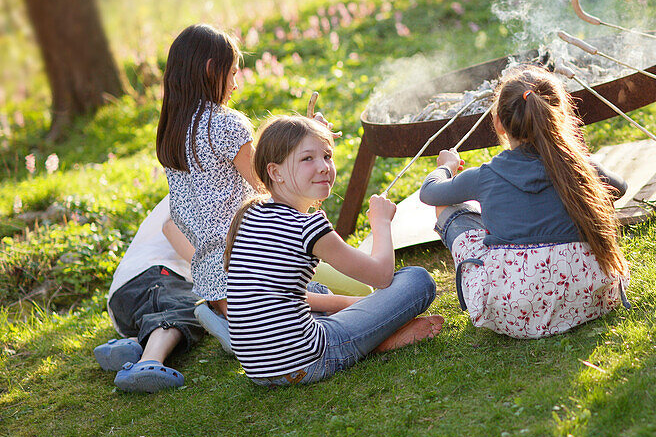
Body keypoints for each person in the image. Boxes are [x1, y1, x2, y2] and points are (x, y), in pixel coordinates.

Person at [225, 115, 442, 386]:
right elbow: (382, 276)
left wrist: (365, 307)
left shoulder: (250, 214)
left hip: (259, 368)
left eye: (327, 156)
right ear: (275, 171)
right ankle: (379, 338)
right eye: (307, 159)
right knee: (417, 280)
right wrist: (380, 223)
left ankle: (373, 327)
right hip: (308, 360)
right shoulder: (307, 227)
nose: (324, 167)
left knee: (314, 290)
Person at [418, 65, 630, 339]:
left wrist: (447, 165)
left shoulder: (484, 176)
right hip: (592, 296)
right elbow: (619, 188)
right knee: (594, 196)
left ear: (499, 124)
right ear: (559, 116)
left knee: (451, 210)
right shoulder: (579, 166)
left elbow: (429, 192)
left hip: (517, 312)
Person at [156, 24, 259, 342]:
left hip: (211, 277)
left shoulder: (172, 132)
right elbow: (268, 186)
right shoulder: (226, 123)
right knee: (316, 292)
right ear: (211, 70)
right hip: (248, 265)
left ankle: (227, 318)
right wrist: (309, 148)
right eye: (232, 74)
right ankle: (241, 330)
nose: (235, 86)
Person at [93, 196, 205, 393]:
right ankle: (149, 362)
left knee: (202, 312)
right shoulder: (205, 183)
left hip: (130, 295)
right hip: (154, 274)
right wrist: (211, 273)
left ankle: (132, 345)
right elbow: (171, 227)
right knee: (186, 307)